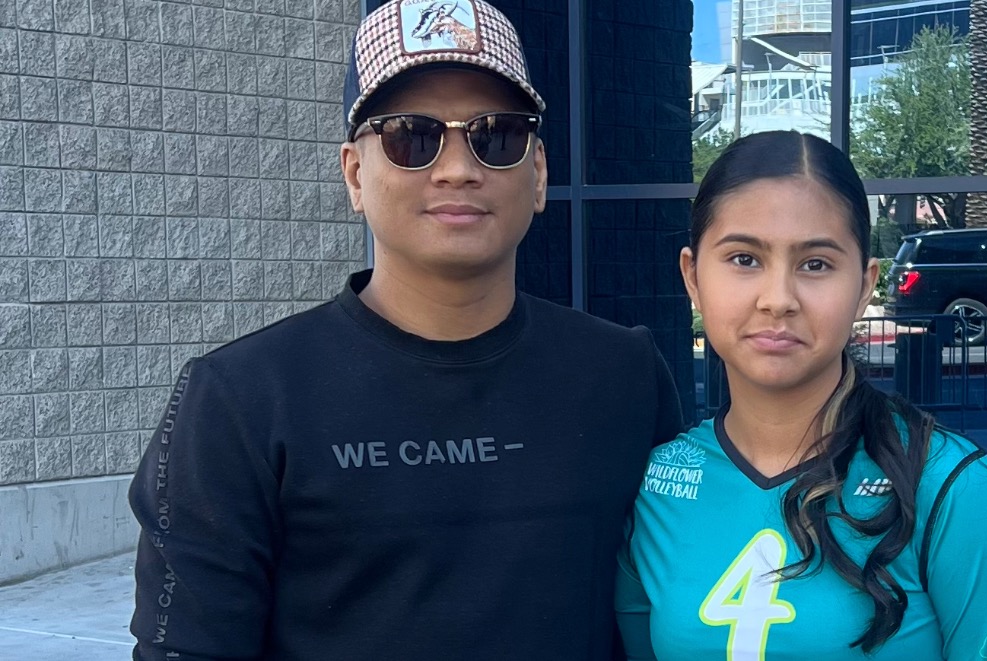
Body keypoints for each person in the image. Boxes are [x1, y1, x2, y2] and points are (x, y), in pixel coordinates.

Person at [127, 1, 683, 658]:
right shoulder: (238, 400)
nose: (457, 168)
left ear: (537, 173)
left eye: (496, 134)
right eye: (411, 136)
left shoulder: (623, 375)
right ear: (355, 175)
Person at [616, 131, 987, 660]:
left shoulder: (949, 486)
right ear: (693, 277)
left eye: (815, 263)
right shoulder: (656, 484)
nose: (778, 300)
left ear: (864, 286)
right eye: (744, 259)